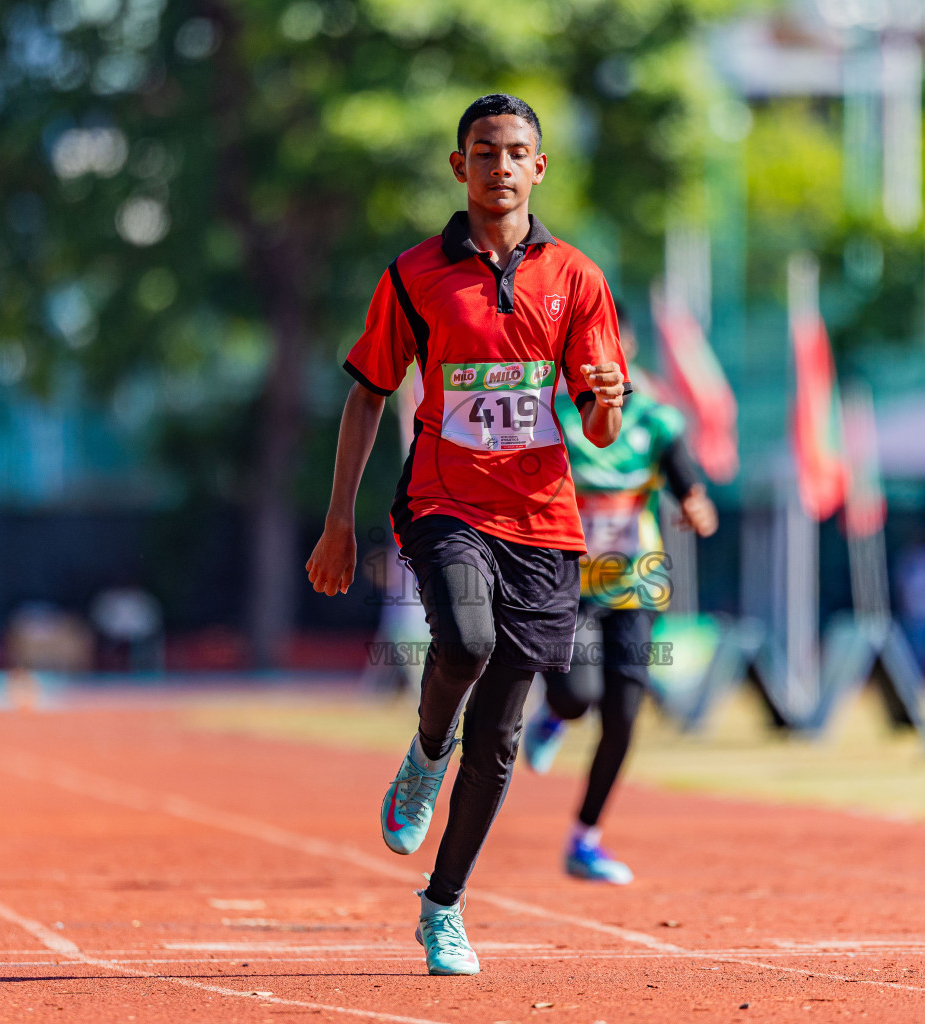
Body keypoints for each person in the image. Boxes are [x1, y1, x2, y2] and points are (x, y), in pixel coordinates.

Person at [306, 93, 628, 976]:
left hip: (545, 520)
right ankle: (423, 750)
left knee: (502, 738)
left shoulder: (578, 280)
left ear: (539, 167)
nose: (500, 166)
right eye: (483, 151)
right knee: (465, 640)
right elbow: (369, 391)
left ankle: (442, 908)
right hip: (446, 502)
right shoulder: (413, 276)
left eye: (516, 152)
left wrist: (605, 400)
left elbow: (599, 429)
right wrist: (340, 521)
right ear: (460, 166)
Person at [521, 307, 718, 884]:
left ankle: (585, 838)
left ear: (628, 349)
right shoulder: (552, 415)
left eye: (615, 346)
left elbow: (687, 482)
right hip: (565, 586)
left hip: (633, 584)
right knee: (578, 695)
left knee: (624, 716)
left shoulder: (657, 420)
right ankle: (556, 715)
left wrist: (696, 507)